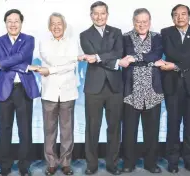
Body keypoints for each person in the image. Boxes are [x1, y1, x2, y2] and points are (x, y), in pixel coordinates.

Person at [0, 9, 39, 176]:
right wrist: (27, 67)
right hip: (4, 90)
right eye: (10, 21)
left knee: (25, 130)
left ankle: (24, 167)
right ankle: (5, 167)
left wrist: (0, 63)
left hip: (24, 89)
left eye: (16, 21)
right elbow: (11, 62)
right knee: (4, 129)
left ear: (21, 23)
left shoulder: (29, 39)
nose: (13, 24)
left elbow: (18, 57)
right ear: (5, 23)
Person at [160, 4, 190, 174]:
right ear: (172, 17)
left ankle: (189, 159)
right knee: (173, 123)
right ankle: (172, 160)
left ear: (189, 16)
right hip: (172, 84)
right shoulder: (166, 32)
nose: (180, 17)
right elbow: (170, 52)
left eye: (183, 14)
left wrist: (177, 64)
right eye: (176, 14)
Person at [79, 1, 124, 175]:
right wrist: (109, 58)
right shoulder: (84, 35)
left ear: (107, 14)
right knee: (92, 128)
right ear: (91, 15)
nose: (99, 17)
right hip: (94, 88)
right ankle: (92, 165)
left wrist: (98, 56)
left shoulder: (117, 32)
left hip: (115, 87)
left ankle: (112, 164)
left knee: (114, 127)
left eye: (102, 13)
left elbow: (118, 53)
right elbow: (92, 55)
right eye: (95, 13)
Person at [120, 8, 164, 174]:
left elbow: (157, 54)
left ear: (150, 22)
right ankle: (128, 163)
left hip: (153, 91)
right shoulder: (125, 37)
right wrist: (149, 59)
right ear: (133, 22)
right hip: (131, 90)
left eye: (145, 21)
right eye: (139, 21)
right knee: (129, 130)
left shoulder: (158, 37)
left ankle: (151, 163)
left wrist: (137, 59)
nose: (142, 24)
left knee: (152, 131)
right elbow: (128, 55)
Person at [37, 12, 78, 176]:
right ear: (49, 27)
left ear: (64, 26)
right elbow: (51, 59)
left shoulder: (73, 42)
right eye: (53, 24)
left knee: (67, 131)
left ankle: (66, 163)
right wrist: (63, 63)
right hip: (49, 92)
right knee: (49, 130)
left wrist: (51, 70)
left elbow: (72, 64)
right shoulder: (43, 42)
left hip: (68, 92)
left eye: (59, 23)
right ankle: (51, 163)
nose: (56, 26)